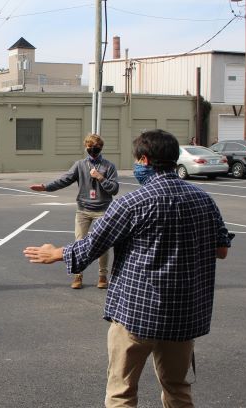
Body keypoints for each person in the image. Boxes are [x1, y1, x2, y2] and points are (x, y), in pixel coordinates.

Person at [24, 129, 232, 408]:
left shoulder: (132, 203)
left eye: (137, 160)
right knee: (177, 388)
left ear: (144, 160)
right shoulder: (203, 200)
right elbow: (221, 249)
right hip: (184, 315)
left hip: (137, 314)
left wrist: (56, 253)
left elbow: (92, 246)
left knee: (121, 391)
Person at [29, 133, 119, 289]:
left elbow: (114, 189)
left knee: (103, 245)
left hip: (103, 211)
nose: (92, 150)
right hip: (83, 210)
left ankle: (103, 276)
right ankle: (78, 276)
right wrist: (46, 187)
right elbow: (64, 180)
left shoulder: (109, 166)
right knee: (79, 243)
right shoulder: (80, 165)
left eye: (96, 147)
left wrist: (100, 177)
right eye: (89, 147)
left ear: (101, 148)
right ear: (85, 148)